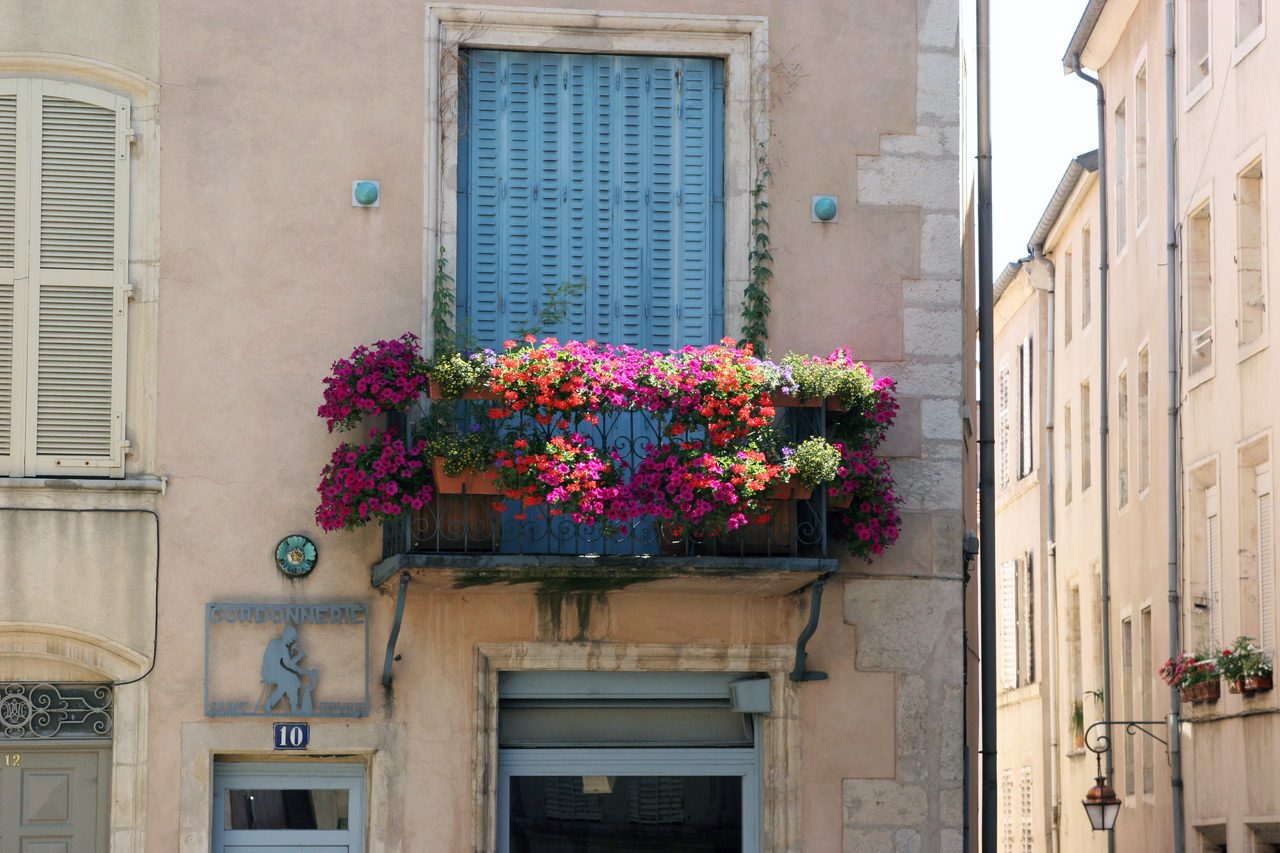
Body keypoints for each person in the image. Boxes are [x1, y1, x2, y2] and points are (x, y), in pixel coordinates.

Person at [260, 625, 317, 713]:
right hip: (269, 672)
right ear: (287, 635)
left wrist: (298, 657)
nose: (292, 641)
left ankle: (270, 703)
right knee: (292, 679)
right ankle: (294, 708)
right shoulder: (275, 643)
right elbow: (287, 664)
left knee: (286, 683)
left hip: (276, 671)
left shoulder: (282, 646)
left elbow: (288, 663)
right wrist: (301, 670)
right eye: (292, 638)